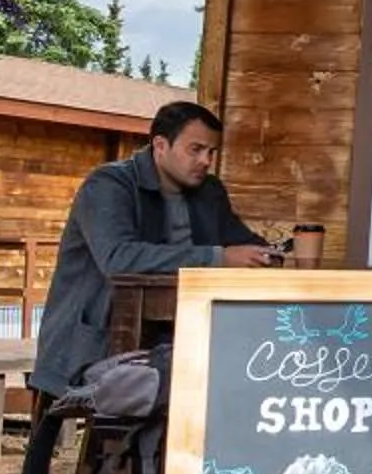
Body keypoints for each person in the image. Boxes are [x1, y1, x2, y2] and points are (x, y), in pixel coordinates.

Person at [30, 101, 276, 399]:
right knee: (192, 380)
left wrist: (269, 253)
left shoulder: (208, 193)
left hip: (180, 338)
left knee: (245, 369)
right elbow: (119, 258)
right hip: (97, 340)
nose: (206, 161)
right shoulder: (109, 184)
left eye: (211, 152)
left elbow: (240, 242)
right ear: (160, 145)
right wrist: (217, 258)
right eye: (195, 149)